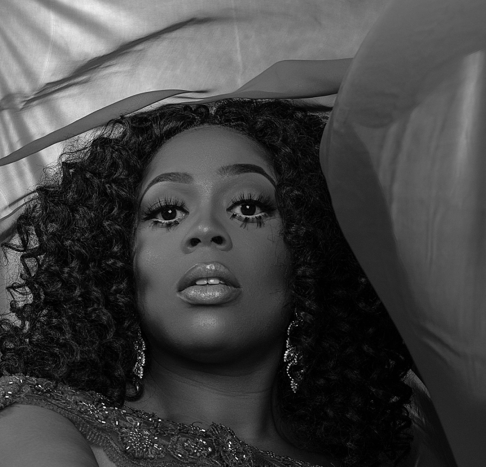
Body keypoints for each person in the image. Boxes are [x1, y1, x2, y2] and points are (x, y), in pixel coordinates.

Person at [0, 99, 428, 466]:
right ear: (114, 258)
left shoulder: (394, 455)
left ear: (309, 247)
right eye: (168, 212)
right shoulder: (40, 424)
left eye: (247, 207)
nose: (206, 230)